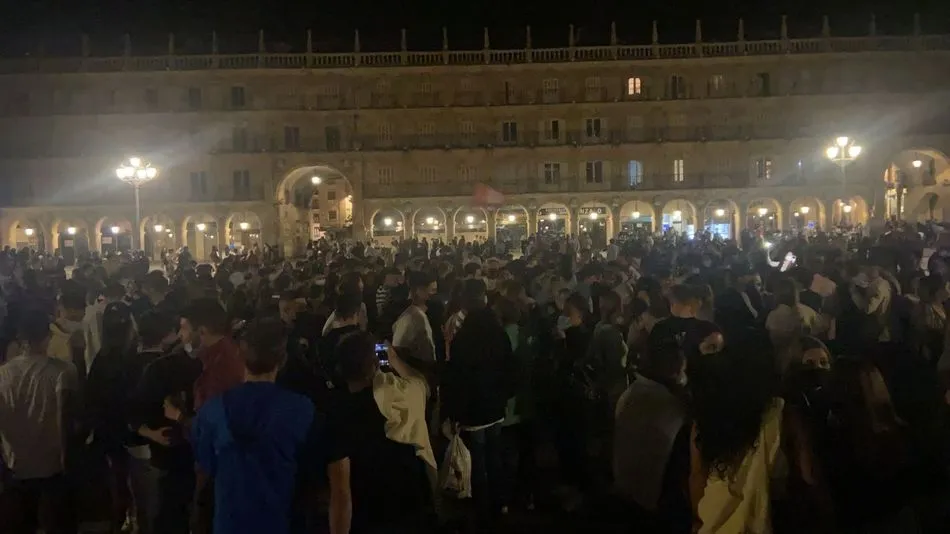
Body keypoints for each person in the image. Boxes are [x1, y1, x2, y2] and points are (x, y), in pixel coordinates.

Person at [191, 317, 346, 534]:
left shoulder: (213, 410)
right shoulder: (302, 410)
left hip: (229, 523)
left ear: (241, 356)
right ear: (282, 360)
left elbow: (205, 468)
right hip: (284, 522)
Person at [328, 331, 436, 533]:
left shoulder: (339, 414)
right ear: (374, 365)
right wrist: (394, 359)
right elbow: (420, 382)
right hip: (413, 503)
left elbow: (341, 491)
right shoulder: (400, 396)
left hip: (369, 511)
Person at [443, 278, 519, 528]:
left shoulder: (463, 339)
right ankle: (500, 503)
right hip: (495, 407)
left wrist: (454, 413)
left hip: (473, 411)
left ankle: (483, 510)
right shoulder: (497, 332)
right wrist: (504, 395)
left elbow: (456, 379)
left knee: (478, 462)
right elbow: (510, 367)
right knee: (495, 456)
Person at [0, 308, 80, 534]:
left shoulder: (3, 375)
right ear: (47, 337)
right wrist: (69, 462)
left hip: (15, 467)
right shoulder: (64, 371)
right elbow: (67, 420)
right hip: (53, 468)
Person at [392, 271, 438, 369]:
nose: (431, 294)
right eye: (429, 290)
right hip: (414, 369)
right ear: (418, 290)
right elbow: (398, 347)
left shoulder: (429, 311)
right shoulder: (410, 315)